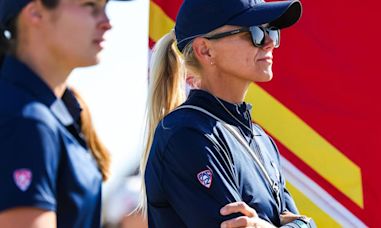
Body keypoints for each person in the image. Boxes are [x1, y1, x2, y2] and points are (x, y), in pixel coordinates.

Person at [139, 0, 316, 227]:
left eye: (271, 30)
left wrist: (302, 224)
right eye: (255, 32)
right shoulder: (187, 136)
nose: (270, 42)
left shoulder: (261, 140)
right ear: (205, 50)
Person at [0, 0, 126, 227]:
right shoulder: (25, 121)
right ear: (36, 12)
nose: (107, 23)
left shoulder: (45, 112)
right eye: (90, 6)